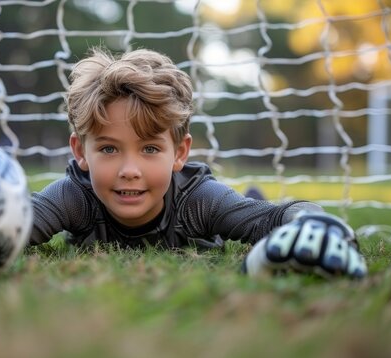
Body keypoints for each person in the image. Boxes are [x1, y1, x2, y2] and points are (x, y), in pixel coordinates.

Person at [29, 47, 367, 279]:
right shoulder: (74, 196)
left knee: (245, 207)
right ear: (80, 152)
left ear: (179, 153)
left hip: (218, 205)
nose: (128, 170)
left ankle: (248, 195)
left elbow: (277, 216)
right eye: (108, 149)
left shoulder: (199, 200)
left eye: (149, 149)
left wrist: (316, 227)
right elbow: (17, 220)